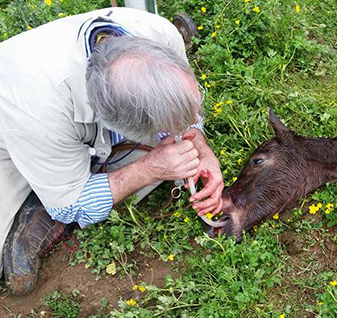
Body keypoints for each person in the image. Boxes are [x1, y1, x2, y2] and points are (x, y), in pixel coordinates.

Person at [0, 7, 224, 295]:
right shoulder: (37, 112)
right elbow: (70, 205)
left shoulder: (160, 35)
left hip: (61, 124)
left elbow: (186, 114)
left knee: (164, 154)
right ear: (115, 121)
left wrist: (201, 146)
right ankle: (43, 203)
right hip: (11, 132)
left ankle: (69, 177)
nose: (182, 134)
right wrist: (150, 168)